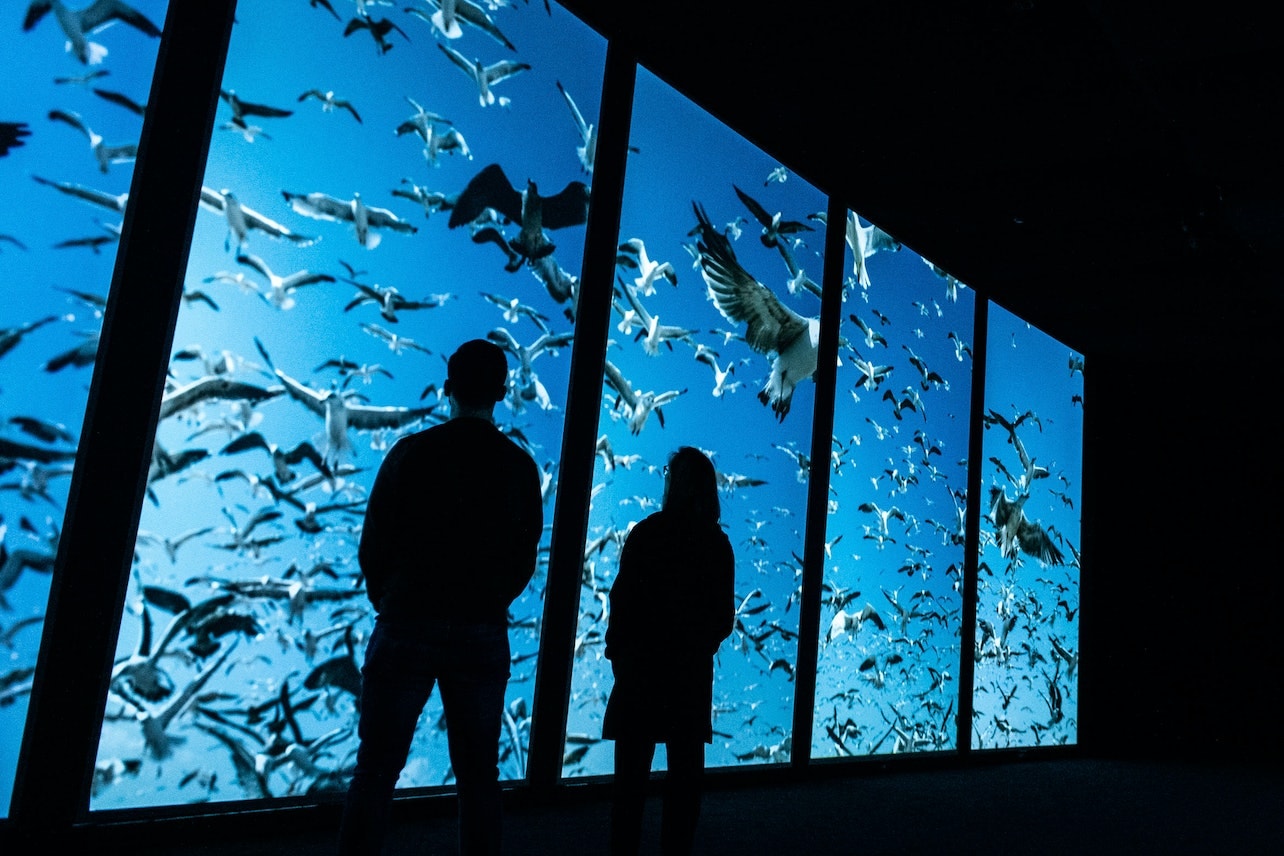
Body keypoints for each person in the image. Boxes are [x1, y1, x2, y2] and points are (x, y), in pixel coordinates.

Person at [338, 339, 544, 856]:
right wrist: (489, 599)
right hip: (480, 629)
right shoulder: (520, 468)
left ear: (448, 389)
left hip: (407, 618)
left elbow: (373, 543)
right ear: (501, 392)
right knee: (479, 776)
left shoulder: (410, 453)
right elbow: (525, 557)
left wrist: (391, 598)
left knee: (376, 769)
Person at [602, 446, 736, 855]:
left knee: (629, 787)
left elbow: (620, 603)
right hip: (687, 678)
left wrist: (619, 659)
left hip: (640, 673)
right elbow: (723, 620)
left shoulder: (646, 533)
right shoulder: (717, 545)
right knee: (684, 786)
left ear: (674, 485)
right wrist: (697, 647)